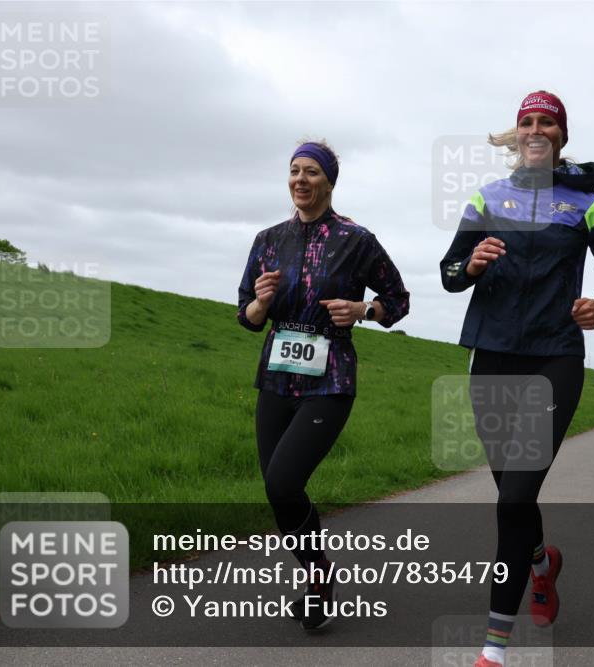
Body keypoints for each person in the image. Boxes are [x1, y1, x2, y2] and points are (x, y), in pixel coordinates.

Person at [440, 90, 594, 667]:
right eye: (528, 121)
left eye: (548, 122)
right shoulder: (487, 197)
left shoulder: (588, 204)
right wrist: (472, 264)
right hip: (493, 356)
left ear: (561, 136)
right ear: (517, 133)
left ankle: (493, 648)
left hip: (555, 359)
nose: (537, 129)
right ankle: (542, 564)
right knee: (512, 496)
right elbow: (449, 273)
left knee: (515, 498)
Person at [236, 140, 409, 631]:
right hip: (275, 377)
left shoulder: (356, 240)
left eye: (311, 171)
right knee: (277, 493)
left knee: (283, 481)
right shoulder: (268, 239)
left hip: (330, 378)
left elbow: (398, 300)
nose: (301, 179)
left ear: (329, 182)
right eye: (294, 170)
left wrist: (362, 309)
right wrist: (260, 303)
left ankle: (317, 576)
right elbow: (246, 315)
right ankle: (317, 575)